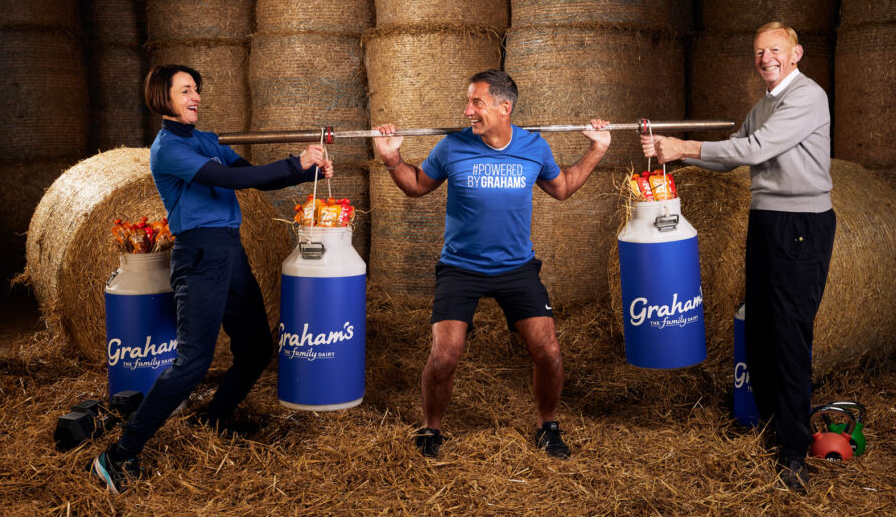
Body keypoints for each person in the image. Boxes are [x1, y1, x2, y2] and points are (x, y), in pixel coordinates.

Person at [90, 64, 334, 494]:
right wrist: (294, 160)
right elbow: (229, 178)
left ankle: (214, 418)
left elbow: (253, 175)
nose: (196, 96)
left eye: (197, 89)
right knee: (192, 363)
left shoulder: (206, 140)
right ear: (163, 98)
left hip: (229, 249)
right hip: (200, 254)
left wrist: (304, 169)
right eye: (186, 90)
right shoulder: (167, 149)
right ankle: (117, 456)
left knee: (257, 347)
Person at [373, 69, 610, 459]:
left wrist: (597, 150)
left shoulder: (534, 147)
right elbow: (416, 185)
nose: (467, 110)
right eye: (467, 102)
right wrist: (392, 159)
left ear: (505, 107)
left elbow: (563, 188)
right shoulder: (452, 147)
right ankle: (432, 429)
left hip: (516, 268)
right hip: (460, 267)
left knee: (549, 352)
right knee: (445, 355)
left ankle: (547, 426)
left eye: (476, 103)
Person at [641, 22, 835, 493]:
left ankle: (793, 452)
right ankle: (772, 428)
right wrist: (675, 155)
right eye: (758, 51)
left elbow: (756, 148)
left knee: (789, 335)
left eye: (774, 50)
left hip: (800, 227)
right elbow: (731, 158)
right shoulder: (764, 105)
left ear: (796, 54)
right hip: (767, 222)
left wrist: (686, 144)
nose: (765, 57)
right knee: (763, 328)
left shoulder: (808, 97)